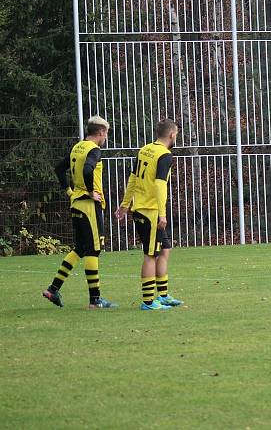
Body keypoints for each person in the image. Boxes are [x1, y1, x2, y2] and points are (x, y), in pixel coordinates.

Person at [43, 116, 118, 309]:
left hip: (76, 204)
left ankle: (53, 289)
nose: (106, 137)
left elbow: (59, 169)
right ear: (101, 132)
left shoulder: (78, 147)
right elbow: (87, 169)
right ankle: (95, 300)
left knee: (80, 249)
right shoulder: (94, 149)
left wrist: (69, 191)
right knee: (94, 250)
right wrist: (92, 191)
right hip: (88, 206)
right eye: (106, 133)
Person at [115, 119, 183, 310]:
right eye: (176, 134)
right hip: (150, 211)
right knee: (150, 255)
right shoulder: (164, 155)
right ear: (172, 135)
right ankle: (147, 302)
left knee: (165, 249)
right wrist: (162, 214)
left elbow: (133, 178)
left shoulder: (144, 150)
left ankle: (162, 295)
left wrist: (125, 204)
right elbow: (160, 185)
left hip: (141, 207)